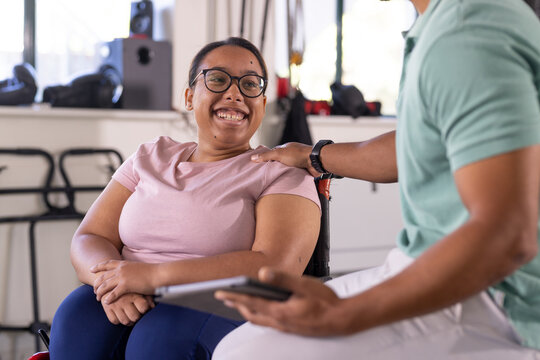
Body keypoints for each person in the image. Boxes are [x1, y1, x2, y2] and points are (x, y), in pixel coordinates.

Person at [213, 0, 540, 358]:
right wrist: (313, 155)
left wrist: (345, 315)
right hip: (428, 261)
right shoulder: (440, 23)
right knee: (239, 345)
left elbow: (506, 234)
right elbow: (416, 142)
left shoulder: (466, 32)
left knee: (245, 355)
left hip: (498, 298)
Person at [48, 37, 321, 360]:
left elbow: (277, 265)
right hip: (129, 284)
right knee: (76, 319)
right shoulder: (150, 156)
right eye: (218, 79)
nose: (234, 93)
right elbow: (89, 236)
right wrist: (109, 284)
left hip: (220, 298)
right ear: (190, 97)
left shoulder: (279, 170)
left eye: (250, 84)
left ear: (261, 104)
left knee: (158, 343)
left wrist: (150, 277)